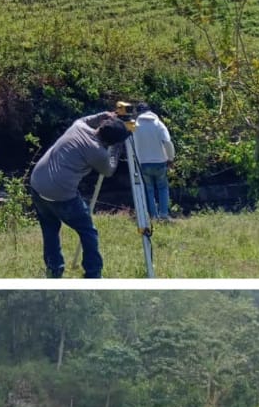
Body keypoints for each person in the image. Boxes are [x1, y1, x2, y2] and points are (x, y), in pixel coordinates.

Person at [29, 112, 129, 278]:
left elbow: (88, 119)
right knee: (87, 231)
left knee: (50, 229)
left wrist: (106, 114)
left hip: (38, 184)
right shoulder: (98, 152)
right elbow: (109, 170)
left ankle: (54, 269)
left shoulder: (77, 126)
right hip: (62, 194)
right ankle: (93, 273)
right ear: (112, 141)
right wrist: (118, 147)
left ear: (102, 125)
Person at [132, 102, 175, 221]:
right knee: (162, 188)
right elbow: (167, 142)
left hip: (143, 163)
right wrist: (170, 158)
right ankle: (164, 215)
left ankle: (153, 216)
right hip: (160, 161)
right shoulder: (158, 124)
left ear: (138, 112)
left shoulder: (135, 125)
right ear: (150, 111)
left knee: (148, 189)